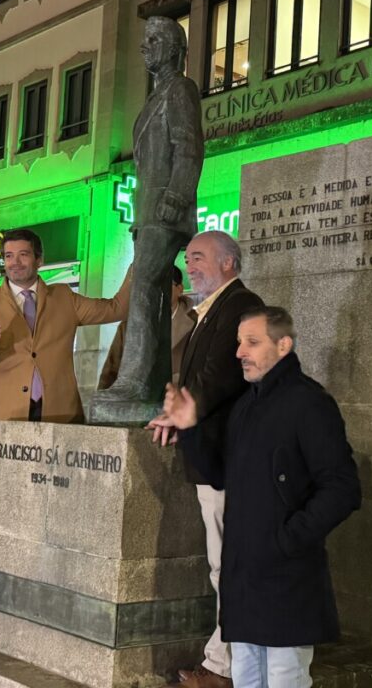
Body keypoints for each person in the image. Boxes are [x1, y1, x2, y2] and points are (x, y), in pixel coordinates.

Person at [158, 307, 362, 688]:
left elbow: (343, 488)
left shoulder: (309, 403)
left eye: (252, 342)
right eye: (239, 343)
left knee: (285, 678)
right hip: (244, 579)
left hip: (286, 578)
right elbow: (219, 473)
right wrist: (191, 428)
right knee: (246, 678)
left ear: (283, 345)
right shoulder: (246, 405)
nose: (239, 352)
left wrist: (286, 540)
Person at [0, 228, 130, 639]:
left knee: (51, 517)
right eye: (8, 256)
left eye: (23, 255)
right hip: (0, 430)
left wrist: (142, 258)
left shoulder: (65, 299)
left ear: (39, 258)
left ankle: (37, 598)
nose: (14, 262)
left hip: (57, 423)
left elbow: (117, 307)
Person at [148, 230, 263, 688]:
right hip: (210, 455)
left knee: (228, 564)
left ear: (228, 264)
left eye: (198, 257)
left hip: (227, 458)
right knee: (222, 564)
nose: (190, 265)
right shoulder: (209, 310)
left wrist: (183, 412)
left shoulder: (240, 305)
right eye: (188, 258)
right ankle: (221, 659)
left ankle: (226, 667)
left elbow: (220, 375)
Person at [89, 15, 203, 413]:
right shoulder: (154, 97)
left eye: (153, 39)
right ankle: (149, 380)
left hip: (164, 207)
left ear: (173, 49)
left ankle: (135, 380)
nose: (144, 46)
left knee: (143, 288)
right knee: (150, 295)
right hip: (147, 210)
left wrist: (177, 194)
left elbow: (189, 146)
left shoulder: (181, 89)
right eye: (144, 39)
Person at [98, 265, 194, 390]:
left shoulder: (197, 322)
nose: (159, 290)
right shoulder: (129, 325)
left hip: (178, 401)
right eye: (153, 285)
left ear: (180, 288)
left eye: (165, 284)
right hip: (136, 403)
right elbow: (111, 370)